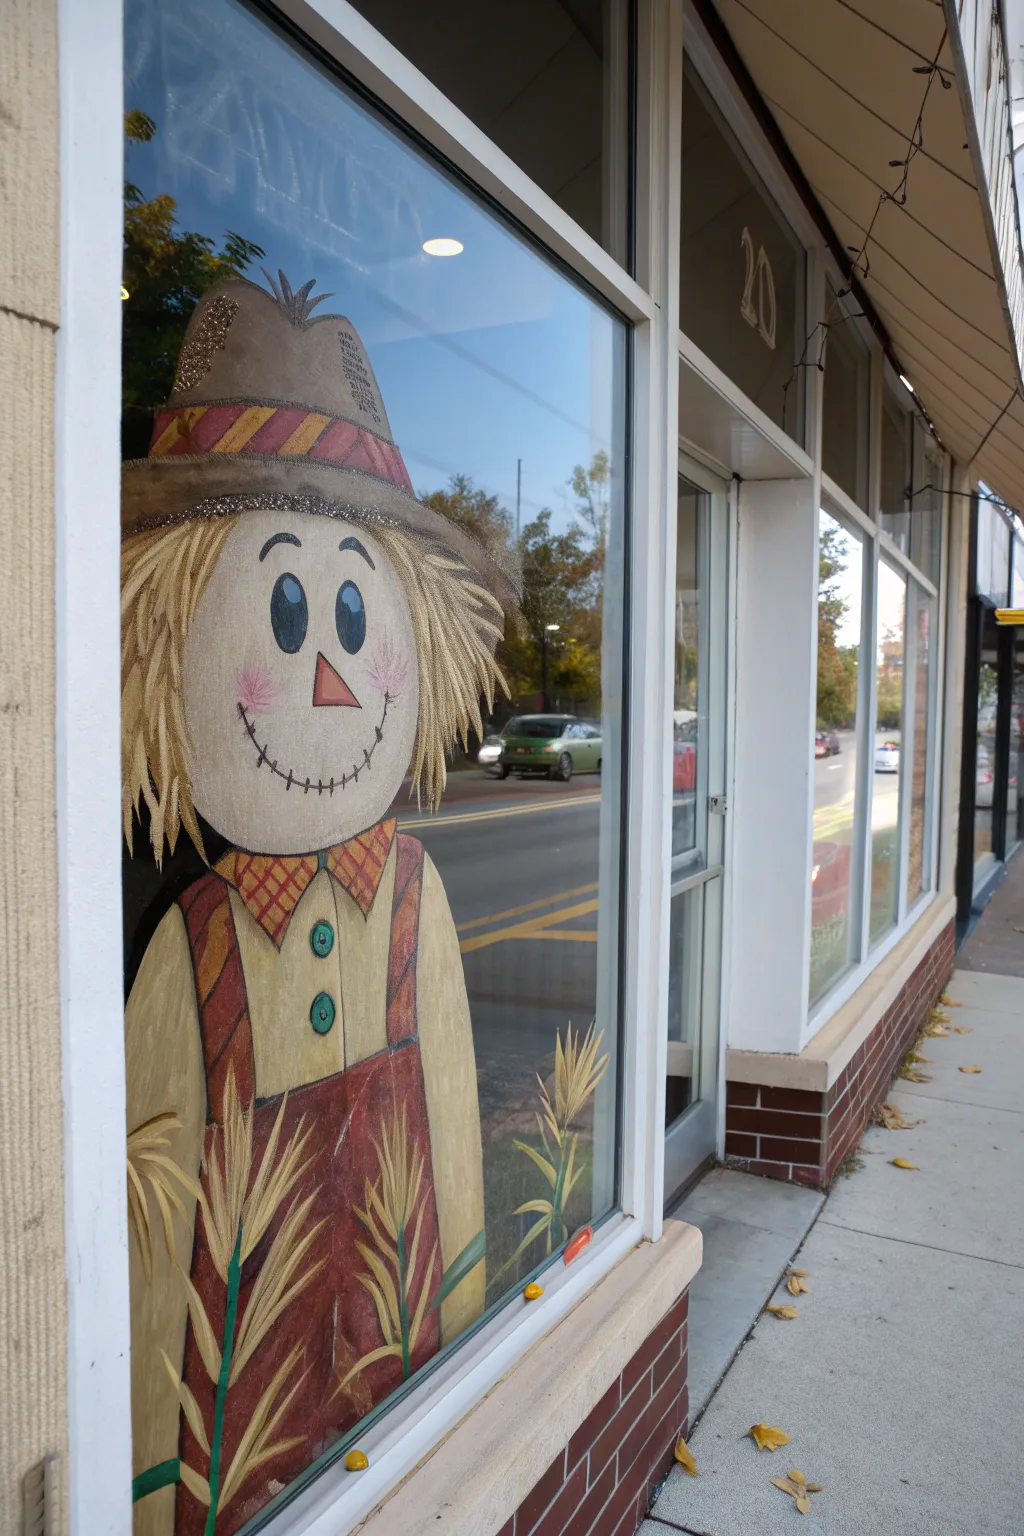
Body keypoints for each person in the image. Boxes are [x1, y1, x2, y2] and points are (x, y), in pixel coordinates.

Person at [122, 272, 517, 1535]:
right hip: (234, 1441)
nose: (335, 681)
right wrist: (144, 1476)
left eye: (352, 612)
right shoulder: (191, 950)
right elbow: (149, 1230)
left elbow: (451, 1126)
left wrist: (463, 1337)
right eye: (286, 610)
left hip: (404, 1385)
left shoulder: (417, 900)